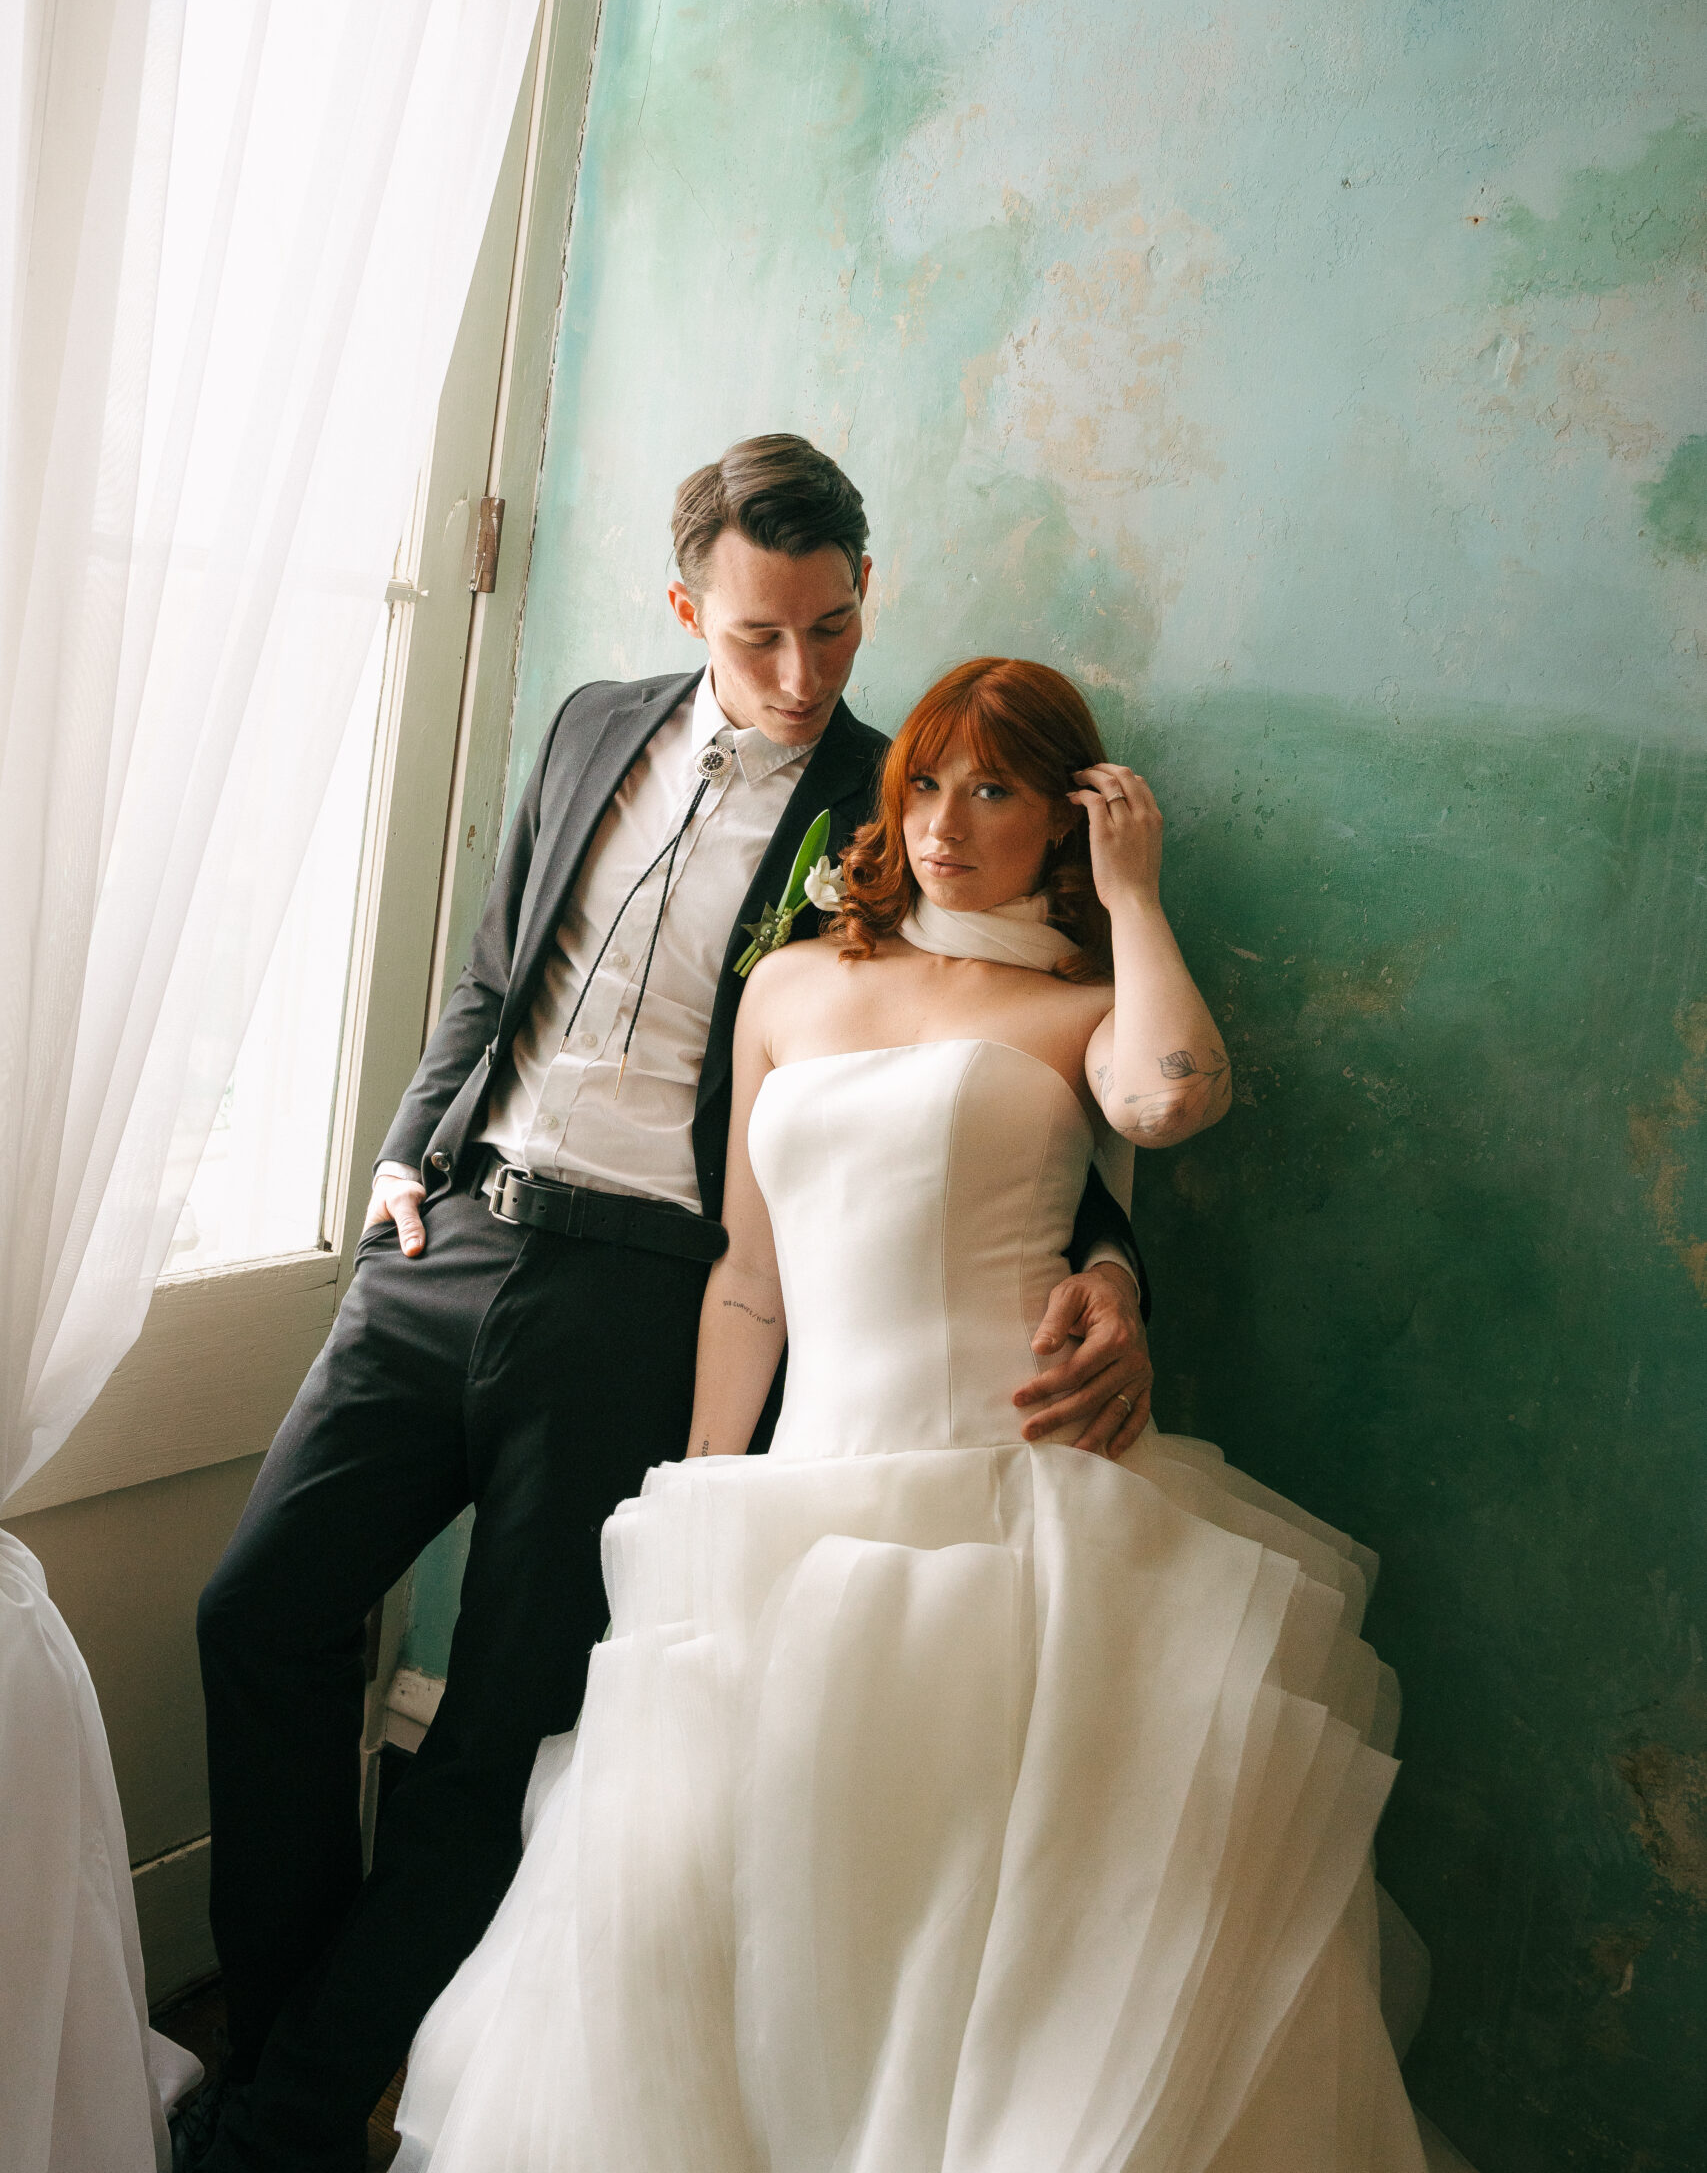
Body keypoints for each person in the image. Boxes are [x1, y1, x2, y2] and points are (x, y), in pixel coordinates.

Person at [185, 444, 1149, 2173]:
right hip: (454, 1242)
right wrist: (411, 1159)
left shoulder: (897, 801)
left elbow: (981, 1074)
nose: (803, 678)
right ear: (689, 602)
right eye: (764, 635)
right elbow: (493, 973)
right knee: (257, 1614)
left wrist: (1111, 1267)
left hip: (648, 1294)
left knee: (498, 1734)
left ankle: (284, 2131)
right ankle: (289, 2049)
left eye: (838, 631)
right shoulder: (584, 722)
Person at [392, 653, 1431, 2173]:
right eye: (926, 781)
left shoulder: (1081, 1006)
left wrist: (1137, 898)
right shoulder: (795, 984)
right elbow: (751, 1277)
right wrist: (695, 1495)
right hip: (803, 1490)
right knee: (736, 1908)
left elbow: (1170, 1100)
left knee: (986, 1931)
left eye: (996, 788)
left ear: (1065, 818)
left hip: (1017, 1501)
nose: (945, 820)